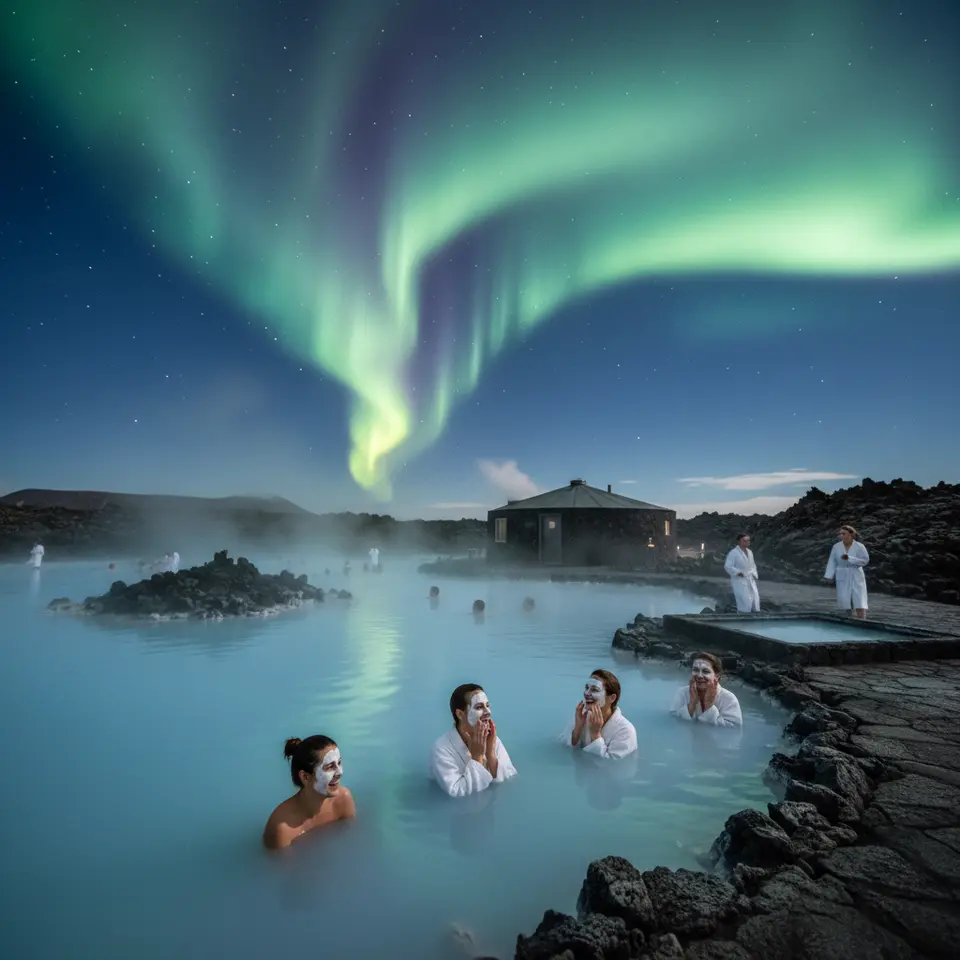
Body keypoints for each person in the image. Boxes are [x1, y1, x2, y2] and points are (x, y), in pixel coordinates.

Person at [262, 735, 355, 850]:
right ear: (305, 777)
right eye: (329, 767)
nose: (339, 772)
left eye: (339, 763)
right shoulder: (282, 828)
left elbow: (352, 843)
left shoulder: (343, 800)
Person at [430, 684, 517, 797]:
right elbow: (457, 795)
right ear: (460, 714)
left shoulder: (491, 739)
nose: (488, 712)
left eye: (487, 705)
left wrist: (490, 754)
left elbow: (511, 780)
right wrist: (477, 757)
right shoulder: (441, 748)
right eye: (479, 707)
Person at [561, 669, 638, 759]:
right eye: (586, 688)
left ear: (612, 698)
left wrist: (595, 735)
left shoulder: (626, 731)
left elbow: (612, 764)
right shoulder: (582, 717)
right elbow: (561, 749)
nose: (586, 693)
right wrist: (577, 729)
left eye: (594, 690)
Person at [670, 653, 742, 727]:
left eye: (705, 671)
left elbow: (734, 730)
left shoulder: (729, 699)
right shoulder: (682, 692)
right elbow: (671, 722)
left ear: (717, 676)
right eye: (695, 670)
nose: (699, 675)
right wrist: (691, 704)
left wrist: (708, 707)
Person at [823, 525, 869, 619]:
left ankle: (862, 620)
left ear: (851, 534)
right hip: (842, 573)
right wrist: (829, 576)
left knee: (859, 599)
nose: (841, 536)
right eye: (840, 534)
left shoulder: (859, 546)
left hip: (856, 573)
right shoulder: (836, 547)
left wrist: (850, 558)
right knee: (845, 599)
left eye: (844, 534)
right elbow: (832, 561)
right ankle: (848, 619)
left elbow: (865, 560)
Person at [724, 534, 760, 612]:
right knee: (744, 600)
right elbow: (728, 566)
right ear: (739, 541)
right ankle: (743, 614)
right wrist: (738, 572)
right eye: (744, 541)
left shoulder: (750, 552)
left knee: (755, 598)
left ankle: (755, 614)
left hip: (750, 578)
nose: (747, 542)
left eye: (748, 540)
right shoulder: (733, 553)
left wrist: (754, 574)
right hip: (739, 580)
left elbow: (753, 565)